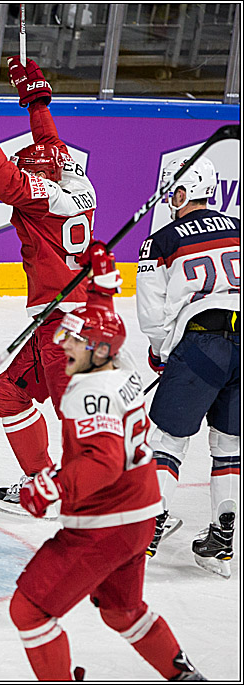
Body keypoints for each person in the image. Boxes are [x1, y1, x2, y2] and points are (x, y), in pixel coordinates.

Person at [10, 243, 204, 681]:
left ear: (96, 350)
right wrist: (101, 283)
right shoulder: (120, 362)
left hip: (107, 523)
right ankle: (185, 677)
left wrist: (53, 487)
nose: (64, 343)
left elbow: (103, 462)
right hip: (140, 515)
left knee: (30, 609)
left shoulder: (88, 391)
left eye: (74, 340)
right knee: (122, 611)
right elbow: (103, 324)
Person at [0, 58, 98, 517]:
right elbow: (52, 146)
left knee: (78, 414)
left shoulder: (41, 199)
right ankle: (42, 480)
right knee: (9, 390)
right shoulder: (77, 183)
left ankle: (96, 497)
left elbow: (4, 179)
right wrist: (36, 102)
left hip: (64, 327)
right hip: (72, 316)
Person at [136, 156, 240, 575]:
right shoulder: (239, 227)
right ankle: (221, 542)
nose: (170, 198)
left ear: (186, 191)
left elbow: (152, 316)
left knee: (167, 441)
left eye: (174, 190)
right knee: (229, 446)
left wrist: (163, 354)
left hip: (201, 346)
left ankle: (145, 532)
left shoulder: (161, 241)